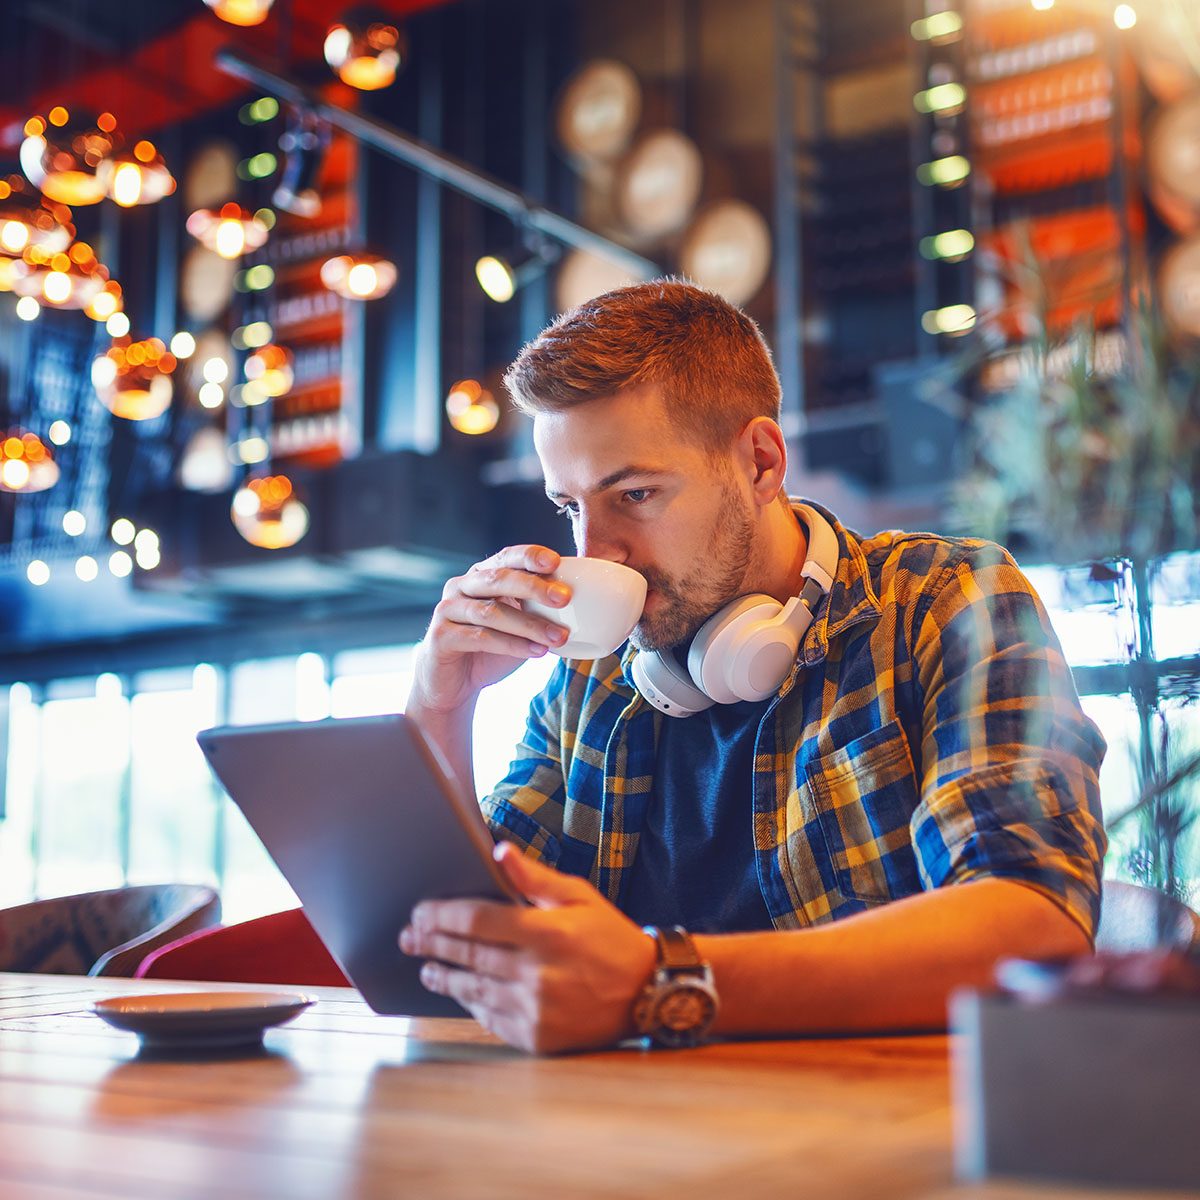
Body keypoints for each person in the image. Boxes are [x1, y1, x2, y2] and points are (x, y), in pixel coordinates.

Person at [399, 279, 1107, 1055]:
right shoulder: (592, 672)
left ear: (763, 462)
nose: (593, 553)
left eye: (634, 494)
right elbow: (457, 949)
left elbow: (1035, 923)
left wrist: (661, 984)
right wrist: (439, 711)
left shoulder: (941, 602)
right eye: (570, 507)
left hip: (879, 1138)